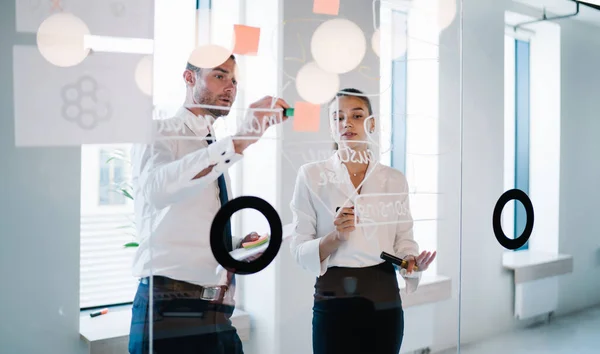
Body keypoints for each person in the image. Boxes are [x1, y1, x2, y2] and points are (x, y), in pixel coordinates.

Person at [128, 54, 290, 354]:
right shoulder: (159, 131)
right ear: (189, 79)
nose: (230, 86)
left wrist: (238, 245)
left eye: (234, 80)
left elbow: (188, 225)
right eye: (219, 76)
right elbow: (157, 190)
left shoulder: (211, 147)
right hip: (169, 310)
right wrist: (240, 140)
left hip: (215, 312)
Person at [289, 88, 436, 354]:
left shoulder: (393, 179)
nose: (347, 123)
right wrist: (336, 238)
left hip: (383, 295)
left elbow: (403, 239)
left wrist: (410, 262)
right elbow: (299, 250)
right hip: (332, 297)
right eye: (338, 117)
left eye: (356, 115)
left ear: (372, 123)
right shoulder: (311, 176)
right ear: (331, 126)